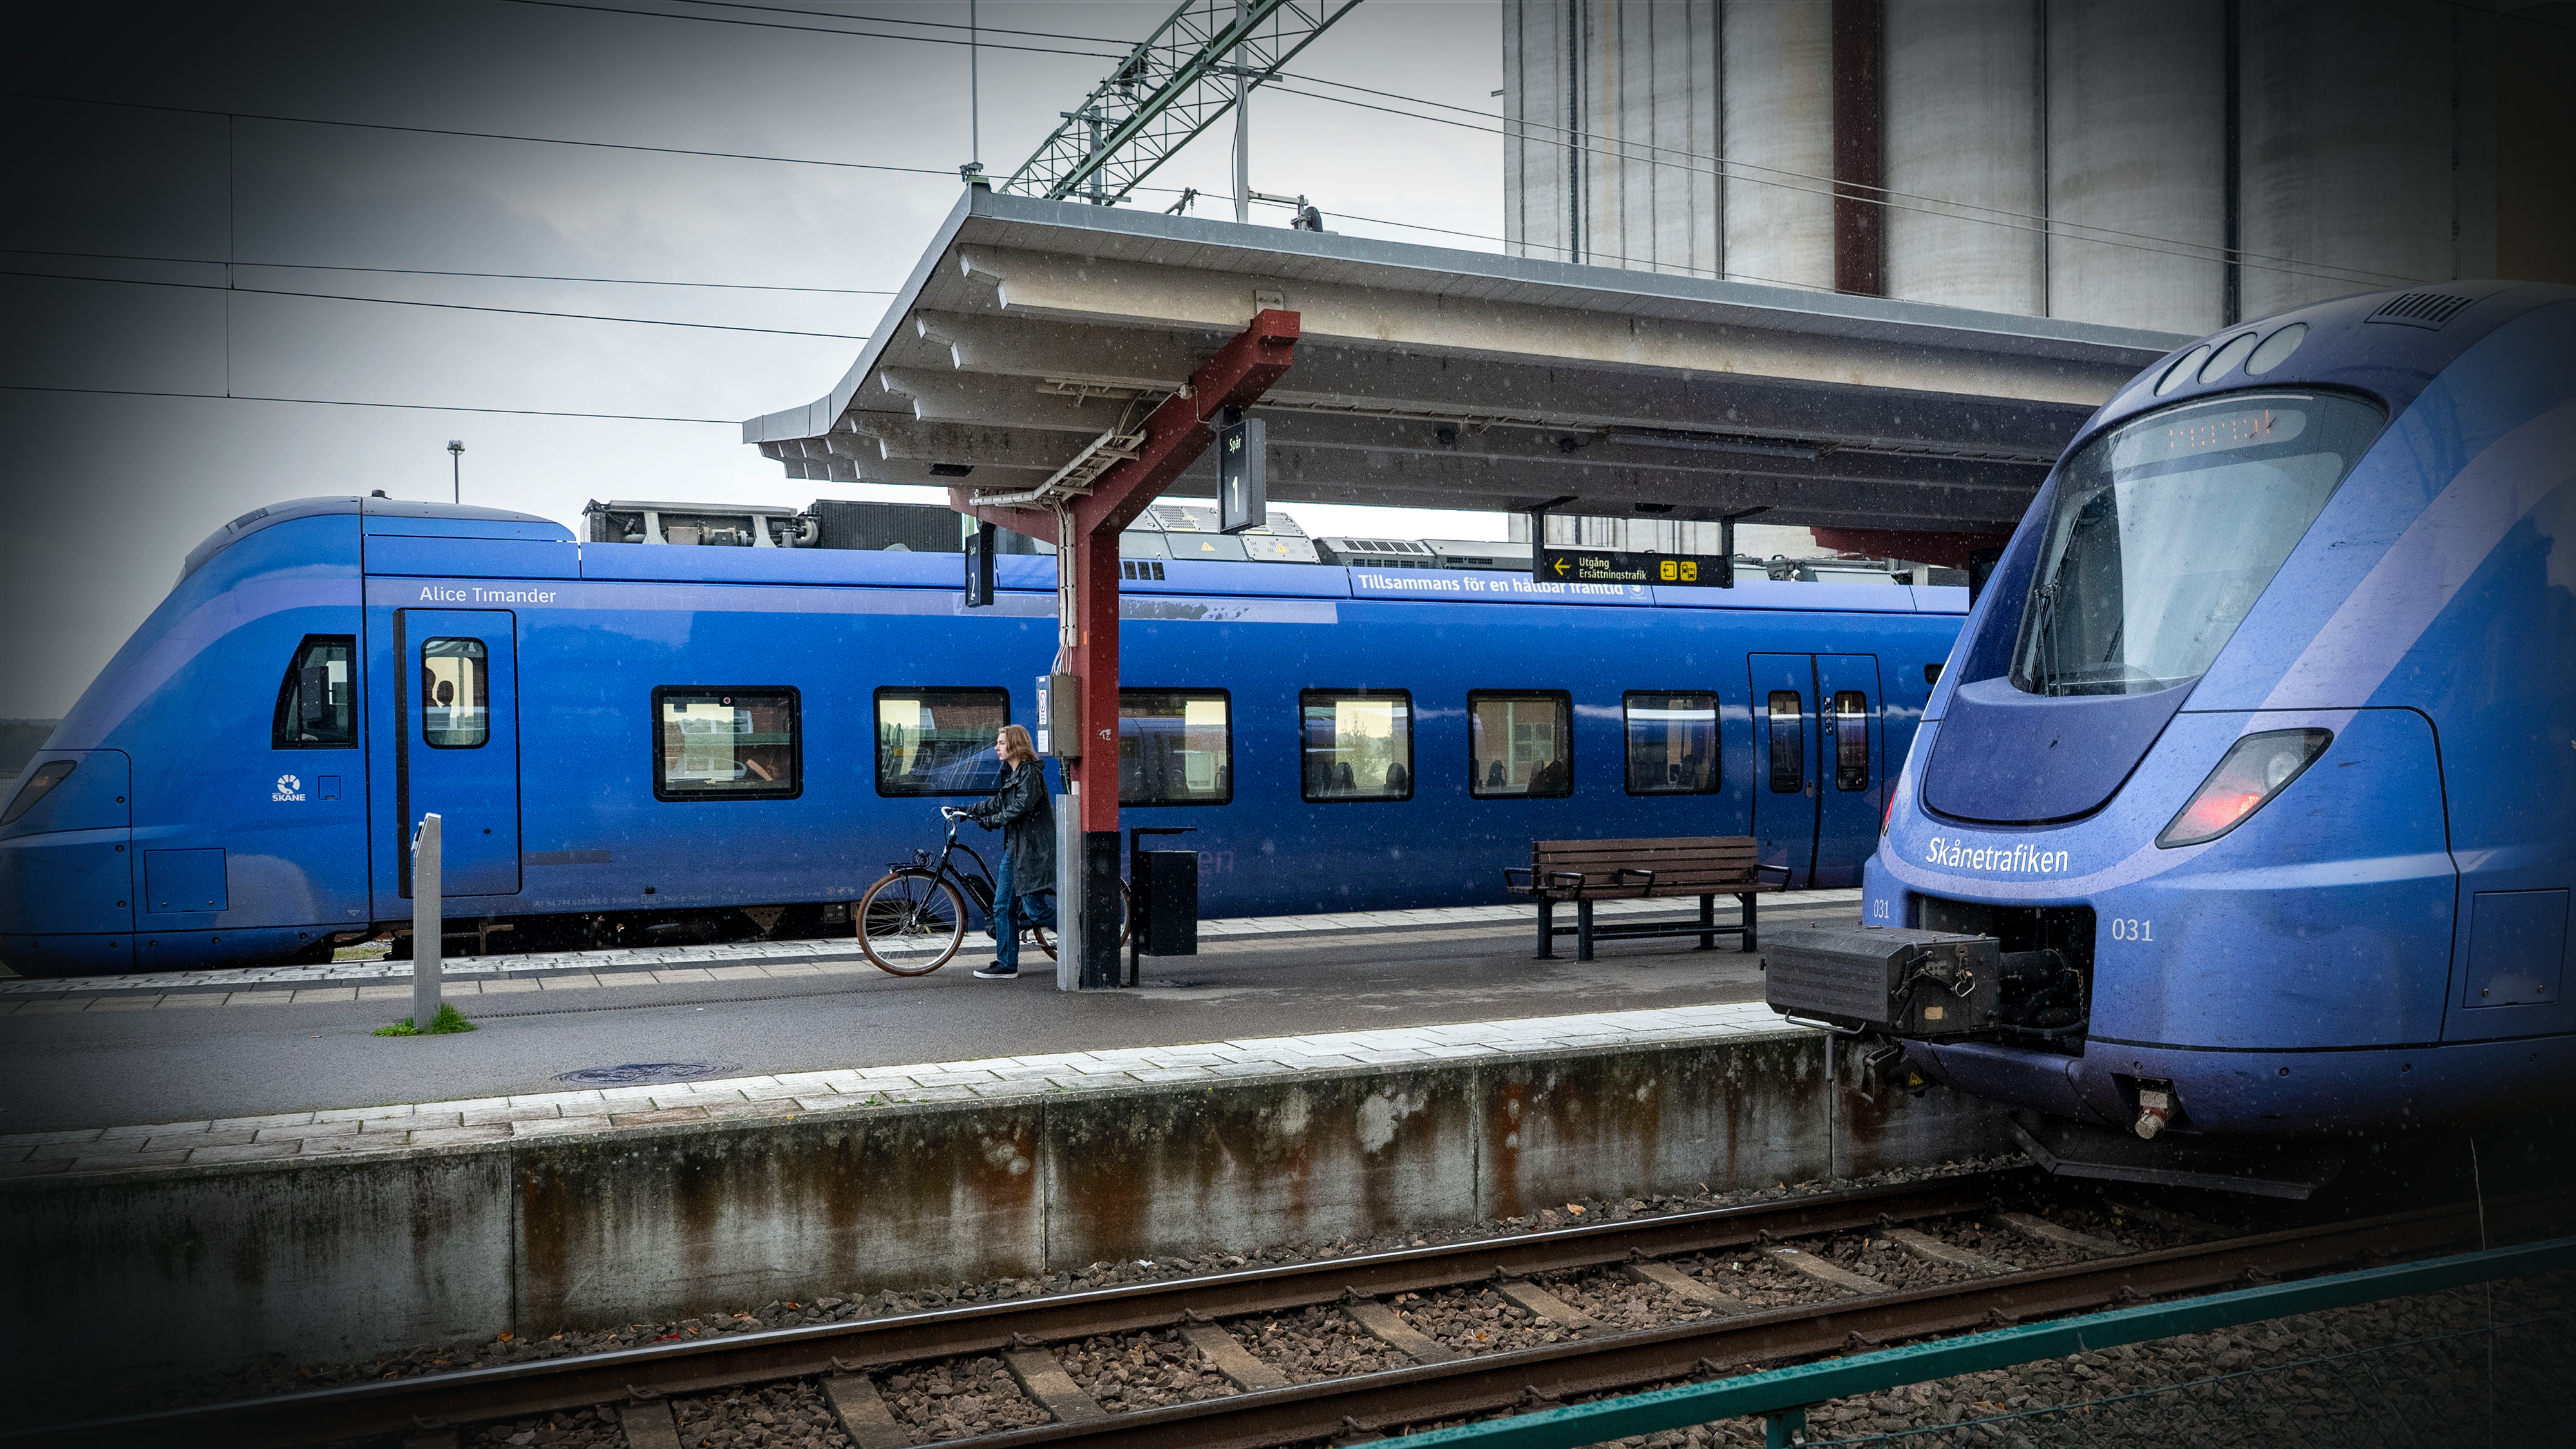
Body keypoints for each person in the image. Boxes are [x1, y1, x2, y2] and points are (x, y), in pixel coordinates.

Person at [945, 724, 1056, 980]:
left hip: (1032, 851)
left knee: (1035, 910)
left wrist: (992, 821)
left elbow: (1021, 806)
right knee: (1003, 906)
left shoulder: (1030, 773)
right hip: (1015, 850)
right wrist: (968, 810)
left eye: (1002, 743)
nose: (996, 747)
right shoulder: (1013, 772)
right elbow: (998, 802)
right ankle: (1007, 964)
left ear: (1016, 745)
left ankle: (1080, 934)